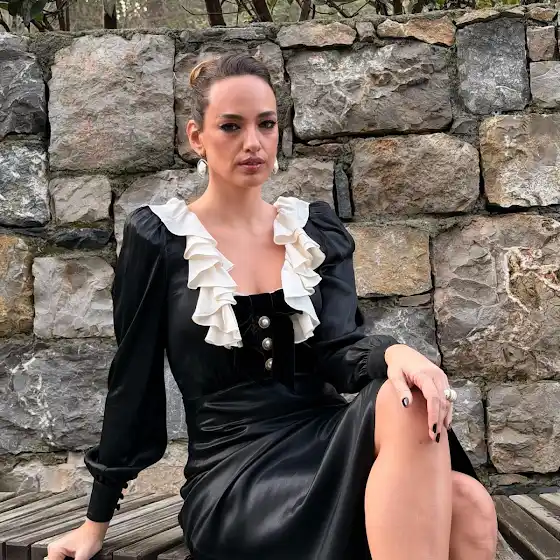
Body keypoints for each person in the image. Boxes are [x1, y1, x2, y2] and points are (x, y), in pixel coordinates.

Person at [46, 53, 498, 560]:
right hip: (236, 471)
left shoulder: (313, 230)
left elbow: (339, 350)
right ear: (197, 137)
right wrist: (95, 522)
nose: (253, 142)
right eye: (231, 126)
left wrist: (396, 354)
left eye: (266, 124)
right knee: (455, 488)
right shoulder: (161, 239)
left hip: (325, 440)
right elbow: (133, 383)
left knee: (467, 497)